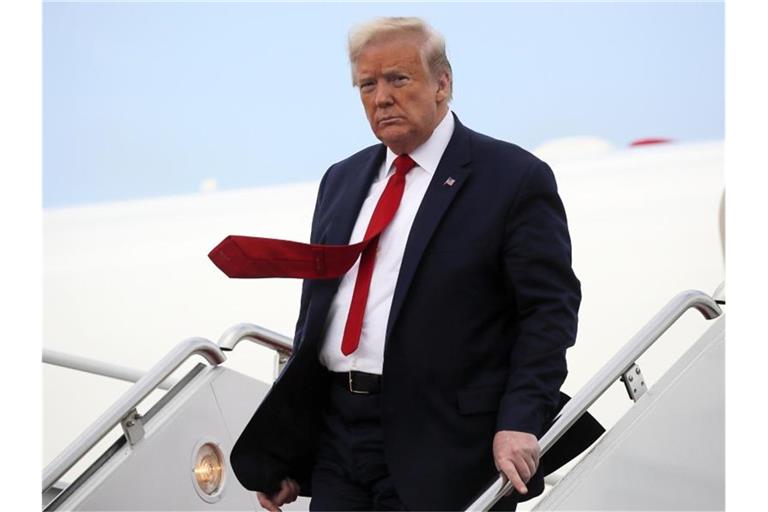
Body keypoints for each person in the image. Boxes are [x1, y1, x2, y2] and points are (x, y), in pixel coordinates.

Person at [224, 16, 583, 511]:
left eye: (398, 78)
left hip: (445, 441)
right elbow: (318, 318)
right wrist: (291, 450)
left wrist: (520, 419)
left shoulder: (513, 178)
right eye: (367, 85)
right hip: (339, 438)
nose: (381, 97)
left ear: (442, 83)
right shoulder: (342, 180)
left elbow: (549, 313)